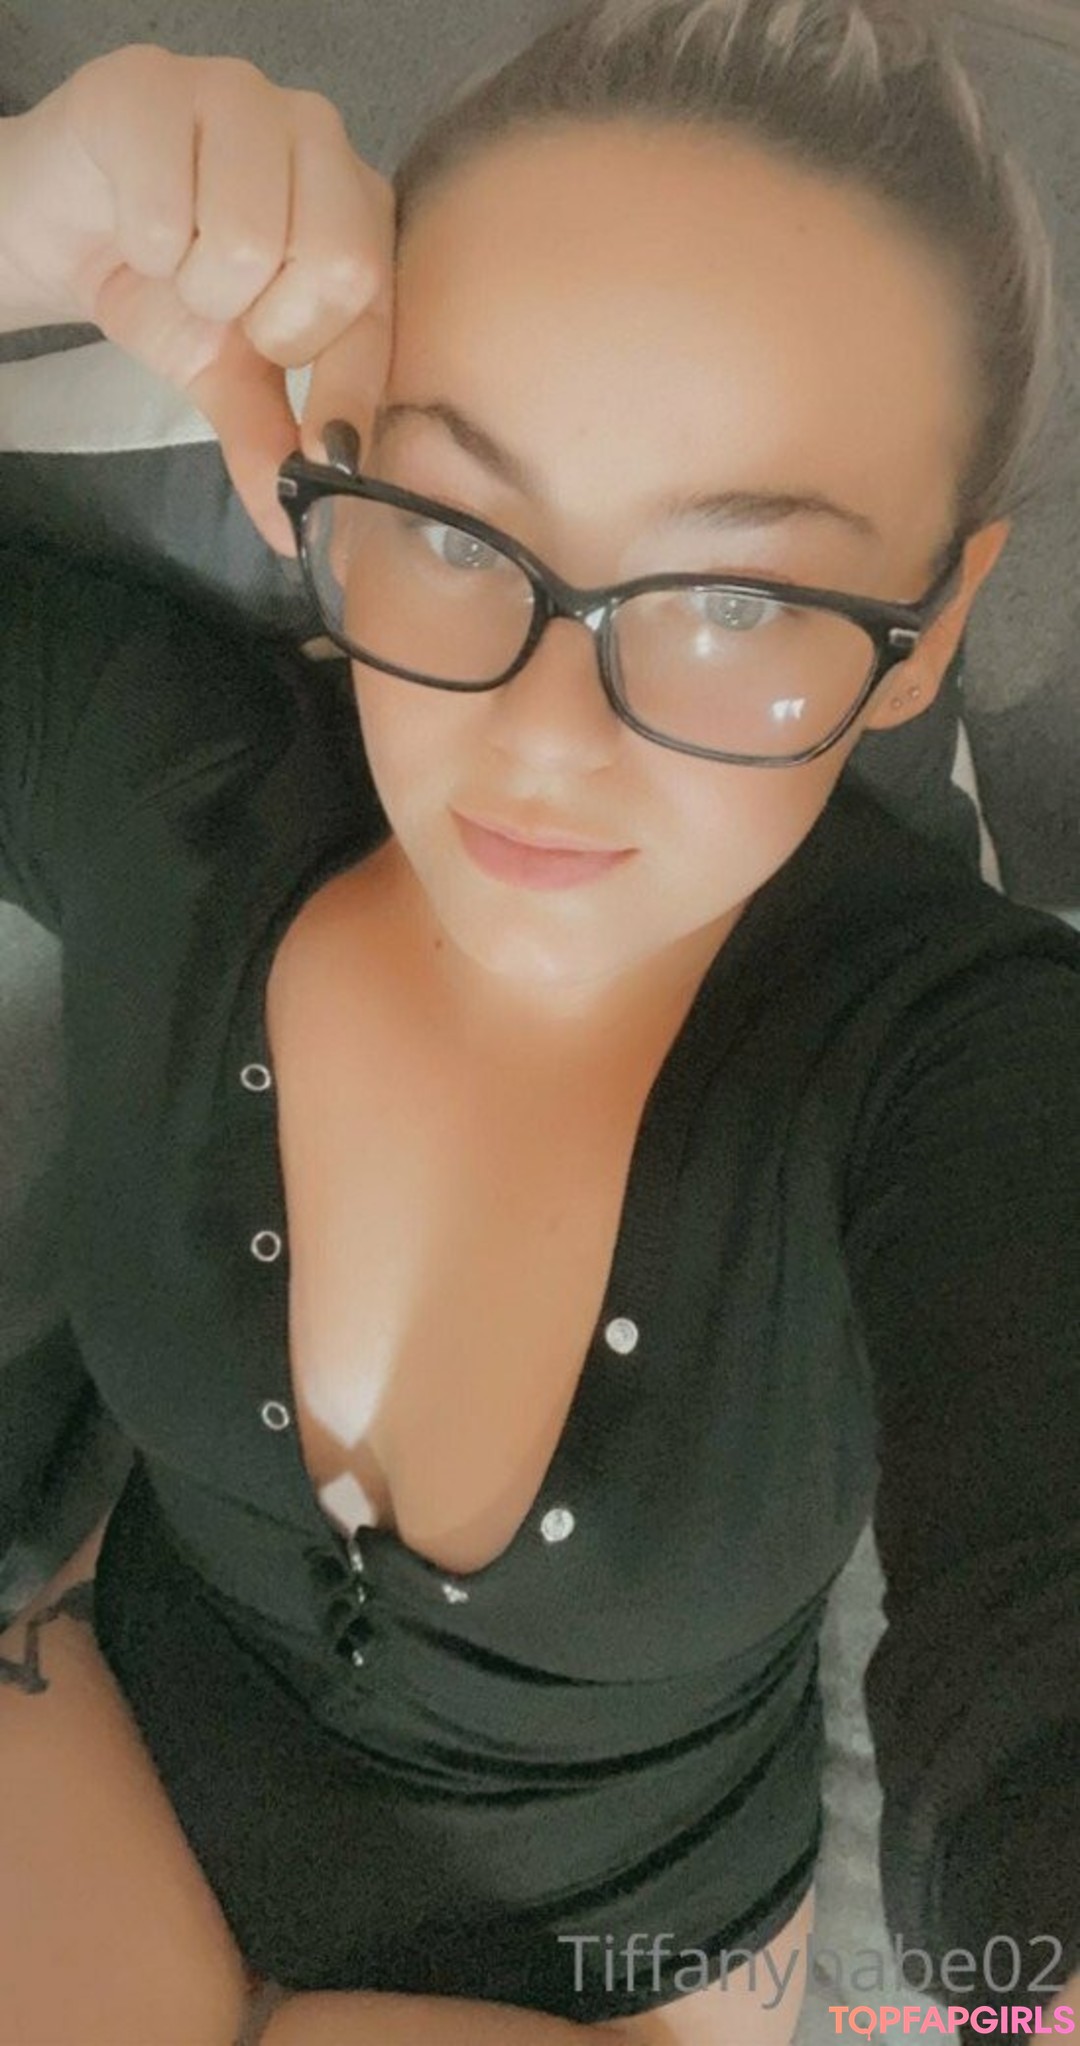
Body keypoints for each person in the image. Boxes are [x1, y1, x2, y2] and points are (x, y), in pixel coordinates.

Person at [0, 7, 1077, 2045]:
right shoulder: (178, 793)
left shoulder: (963, 1064)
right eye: (455, 527)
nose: (543, 740)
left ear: (928, 625)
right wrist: (14, 226)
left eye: (740, 600)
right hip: (106, 1760)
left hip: (614, 1975)